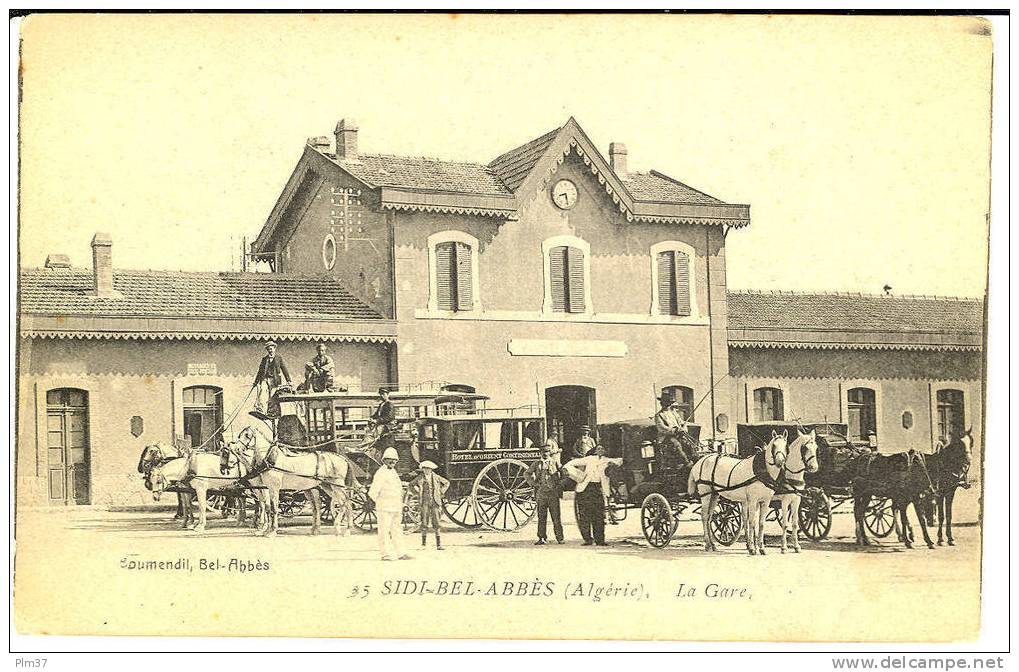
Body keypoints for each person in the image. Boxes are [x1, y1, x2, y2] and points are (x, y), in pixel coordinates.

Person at [564, 444, 623, 546]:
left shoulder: (606, 460)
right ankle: (587, 539)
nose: (600, 450)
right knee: (585, 515)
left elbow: (620, 461)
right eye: (598, 448)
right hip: (585, 489)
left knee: (599, 515)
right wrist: (578, 475)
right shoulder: (589, 459)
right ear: (595, 450)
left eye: (602, 448)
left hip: (598, 489)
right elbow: (569, 464)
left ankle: (600, 540)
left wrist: (613, 464)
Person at [368, 447, 409, 561]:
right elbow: (373, 491)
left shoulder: (393, 472)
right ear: (384, 460)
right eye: (389, 459)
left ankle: (401, 553)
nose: (392, 462)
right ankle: (385, 554)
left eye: (394, 460)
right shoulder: (381, 473)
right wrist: (381, 502)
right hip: (385, 507)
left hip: (396, 506)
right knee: (384, 531)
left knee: (397, 530)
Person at [524, 443, 566, 545]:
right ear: (540, 453)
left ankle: (560, 538)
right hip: (541, 494)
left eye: (547, 452)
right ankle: (542, 538)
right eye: (543, 452)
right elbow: (526, 473)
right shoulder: (536, 463)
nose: (545, 454)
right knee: (541, 517)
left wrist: (560, 485)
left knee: (556, 517)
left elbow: (565, 473)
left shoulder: (555, 462)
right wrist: (533, 484)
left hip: (553, 494)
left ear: (550, 453)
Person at [410, 460, 449, 550]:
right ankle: (423, 545)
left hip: (435, 502)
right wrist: (417, 493)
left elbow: (446, 483)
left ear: (431, 469)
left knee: (437, 522)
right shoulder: (420, 478)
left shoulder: (436, 477)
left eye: (428, 469)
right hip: (424, 502)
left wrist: (440, 492)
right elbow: (411, 485)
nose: (426, 470)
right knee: (424, 522)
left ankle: (439, 545)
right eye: (424, 469)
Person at [252, 340, 292, 414]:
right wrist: (256, 382)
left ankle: (272, 411)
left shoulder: (279, 358)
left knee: (273, 395)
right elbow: (260, 371)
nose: (270, 350)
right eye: (268, 349)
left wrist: (288, 380)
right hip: (265, 379)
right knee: (262, 391)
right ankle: (260, 409)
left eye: (271, 349)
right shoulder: (264, 359)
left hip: (275, 380)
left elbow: (284, 369)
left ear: (274, 348)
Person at [655, 397, 693, 467]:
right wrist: (675, 430)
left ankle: (693, 460)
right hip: (666, 437)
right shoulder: (659, 415)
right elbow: (662, 428)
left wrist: (683, 429)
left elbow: (682, 422)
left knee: (688, 444)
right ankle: (686, 462)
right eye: (666, 403)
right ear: (662, 404)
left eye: (669, 403)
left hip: (678, 434)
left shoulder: (674, 413)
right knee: (676, 444)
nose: (668, 405)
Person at [369, 387, 399, 457]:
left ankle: (368, 447)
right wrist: (371, 418)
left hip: (387, 426)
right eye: (381, 394)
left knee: (374, 432)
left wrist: (377, 420)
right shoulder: (381, 405)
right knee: (369, 431)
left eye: (384, 394)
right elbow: (376, 415)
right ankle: (365, 448)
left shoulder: (390, 404)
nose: (382, 396)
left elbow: (389, 417)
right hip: (380, 424)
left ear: (387, 395)